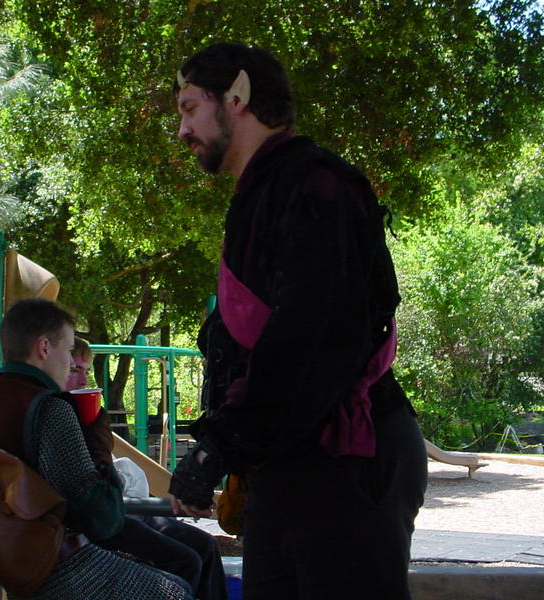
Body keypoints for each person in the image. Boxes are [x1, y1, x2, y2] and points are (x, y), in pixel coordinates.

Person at [168, 43, 428, 599]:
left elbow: (313, 337)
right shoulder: (264, 191)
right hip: (291, 462)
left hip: (347, 460)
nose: (182, 130)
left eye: (190, 108)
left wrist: (221, 445)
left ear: (236, 96)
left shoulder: (318, 185)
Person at [0, 298, 192, 599]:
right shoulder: (52, 410)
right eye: (68, 349)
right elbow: (101, 519)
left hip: (4, 564)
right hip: (60, 567)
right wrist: (99, 444)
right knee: (176, 591)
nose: (70, 361)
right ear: (44, 348)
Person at [66, 338, 228, 600]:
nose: (83, 380)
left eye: (85, 371)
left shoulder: (87, 415)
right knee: (185, 560)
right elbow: (87, 484)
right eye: (74, 370)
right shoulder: (54, 414)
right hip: (95, 521)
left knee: (205, 544)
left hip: (114, 508)